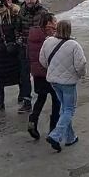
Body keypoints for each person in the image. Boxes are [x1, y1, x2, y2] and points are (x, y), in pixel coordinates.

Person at [41, 20, 86, 152]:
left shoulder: (48, 42)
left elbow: (42, 60)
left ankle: (70, 137)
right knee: (69, 109)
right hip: (68, 83)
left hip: (53, 81)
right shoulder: (74, 45)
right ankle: (55, 135)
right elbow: (81, 64)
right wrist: (80, 75)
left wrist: (51, 70)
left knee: (64, 107)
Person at [0, 0, 26, 112]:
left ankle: (22, 93)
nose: (0, 9)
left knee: (18, 74)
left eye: (2, 6)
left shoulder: (13, 16)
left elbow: (18, 31)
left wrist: (16, 44)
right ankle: (0, 100)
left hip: (12, 51)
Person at [26, 11, 59, 140]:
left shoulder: (33, 35)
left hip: (37, 73)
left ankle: (33, 120)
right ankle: (53, 128)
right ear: (49, 23)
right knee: (56, 100)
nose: (56, 23)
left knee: (41, 97)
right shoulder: (49, 37)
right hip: (49, 73)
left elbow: (28, 54)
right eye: (54, 21)